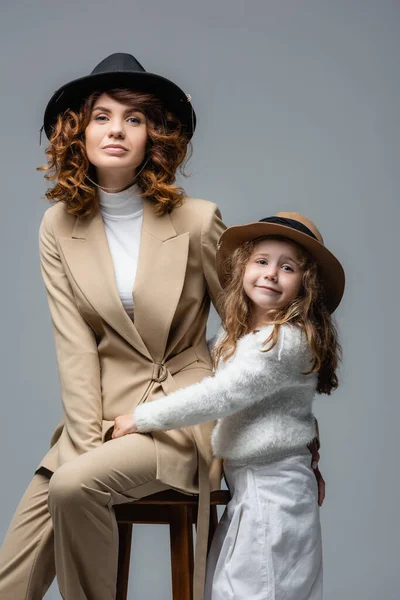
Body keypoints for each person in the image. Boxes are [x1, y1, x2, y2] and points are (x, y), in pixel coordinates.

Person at [0, 50, 322, 600]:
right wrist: (85, 442)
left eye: (134, 118)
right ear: (78, 131)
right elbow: (74, 345)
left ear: (155, 135)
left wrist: (300, 448)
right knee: (12, 578)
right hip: (96, 420)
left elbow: (254, 333)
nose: (116, 131)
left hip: (176, 419)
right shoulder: (57, 226)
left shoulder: (197, 220)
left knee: (76, 488)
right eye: (101, 117)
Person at [113, 212, 345, 600]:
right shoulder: (240, 338)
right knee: (229, 588)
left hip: (275, 490)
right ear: (242, 270)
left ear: (306, 286)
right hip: (250, 486)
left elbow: (220, 394)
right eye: (261, 261)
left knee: (260, 589)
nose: (271, 273)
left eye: (287, 267)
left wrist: (142, 418)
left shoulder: (282, 341)